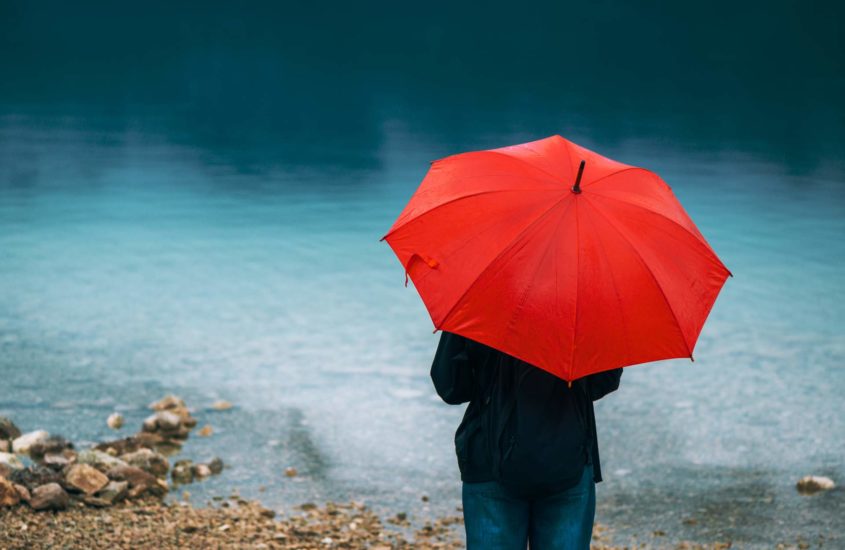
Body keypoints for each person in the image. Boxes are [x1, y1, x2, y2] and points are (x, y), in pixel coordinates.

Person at [431, 331, 622, 550]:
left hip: (490, 457)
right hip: (568, 454)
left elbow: (451, 387)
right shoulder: (587, 309)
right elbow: (604, 382)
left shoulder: (481, 304)